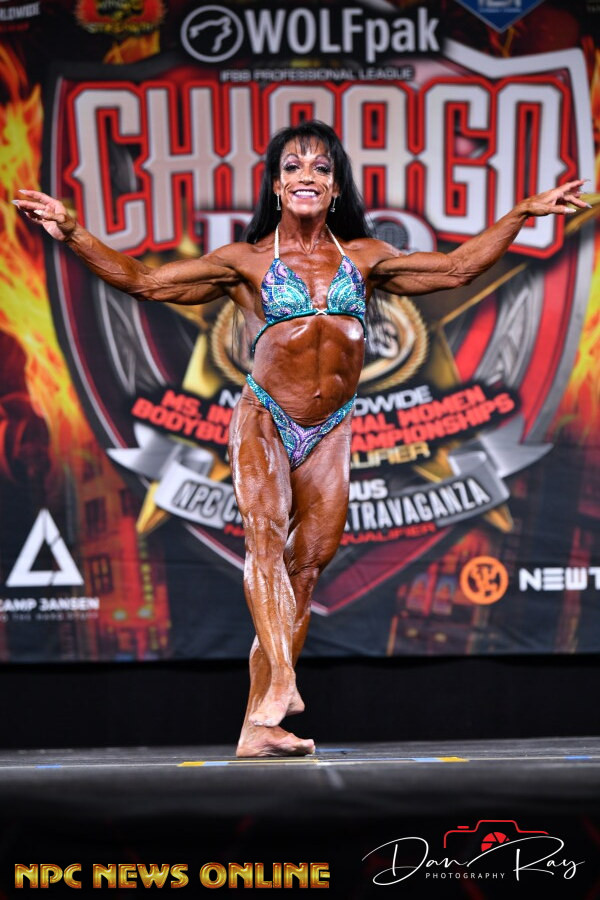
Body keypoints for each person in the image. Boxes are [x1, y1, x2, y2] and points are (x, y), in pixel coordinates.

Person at [15, 121, 587, 757]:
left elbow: (457, 269)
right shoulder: (246, 261)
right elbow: (145, 282)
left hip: (329, 429)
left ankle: (256, 730)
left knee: (305, 571)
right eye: (293, 166)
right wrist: (74, 231)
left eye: (320, 167)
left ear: (335, 188)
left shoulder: (364, 259)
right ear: (277, 186)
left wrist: (522, 212)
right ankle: (282, 682)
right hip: (264, 416)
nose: (306, 175)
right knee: (264, 542)